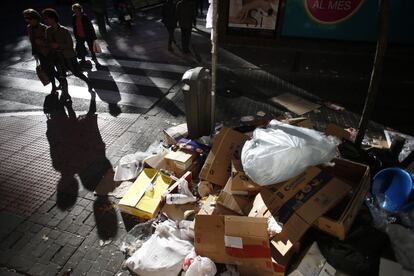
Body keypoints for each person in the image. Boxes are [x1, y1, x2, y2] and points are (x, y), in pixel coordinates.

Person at [42, 8, 92, 103]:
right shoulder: (48, 31)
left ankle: (88, 82)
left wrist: (58, 45)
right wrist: (49, 45)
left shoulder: (64, 30)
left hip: (69, 56)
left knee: (77, 73)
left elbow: (70, 45)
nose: (46, 21)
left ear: (53, 18)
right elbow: (48, 42)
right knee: (62, 76)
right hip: (57, 58)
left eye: (47, 18)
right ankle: (66, 94)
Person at [23, 9, 60, 94]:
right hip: (40, 53)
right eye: (26, 18)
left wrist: (41, 42)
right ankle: (57, 84)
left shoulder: (44, 28)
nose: (27, 20)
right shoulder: (29, 28)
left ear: (35, 18)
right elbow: (32, 41)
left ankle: (57, 85)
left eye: (29, 18)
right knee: (47, 70)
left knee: (51, 70)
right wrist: (34, 53)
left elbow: (51, 42)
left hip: (49, 52)